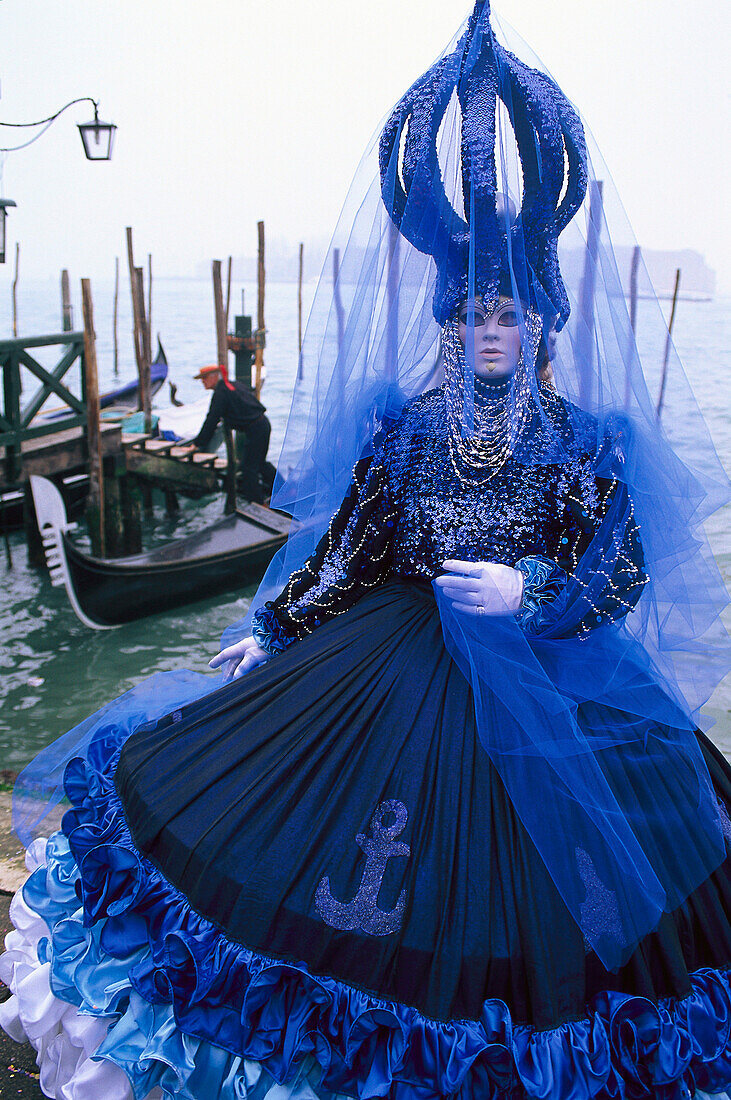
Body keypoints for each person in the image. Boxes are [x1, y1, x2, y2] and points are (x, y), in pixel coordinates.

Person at [1, 3, 730, 1099]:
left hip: (542, 684)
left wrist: (527, 590)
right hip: (390, 661)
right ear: (449, 320)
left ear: (539, 322)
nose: (491, 329)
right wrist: (272, 630)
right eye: (473, 313)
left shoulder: (585, 443)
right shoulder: (403, 427)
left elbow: (613, 575)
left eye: (509, 313)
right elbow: (353, 551)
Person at [191, 363, 276, 503]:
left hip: (256, 428)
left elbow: (211, 421)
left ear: (214, 377)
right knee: (259, 463)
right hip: (263, 425)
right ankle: (284, 489)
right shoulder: (232, 385)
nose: (202, 381)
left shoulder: (221, 392)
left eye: (205, 378)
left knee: (249, 468)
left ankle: (257, 504)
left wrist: (197, 444)